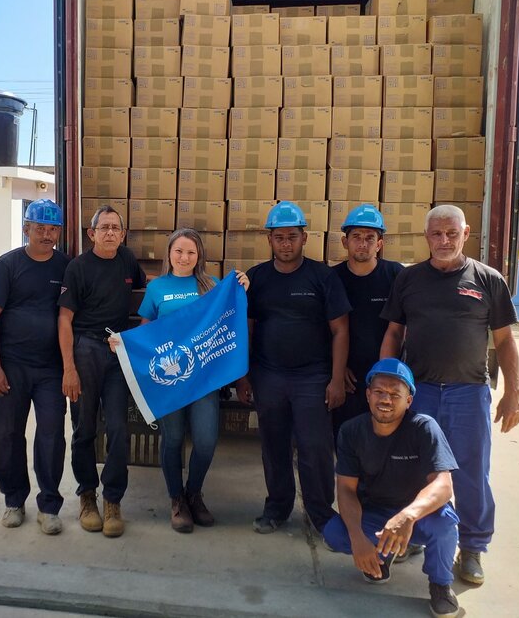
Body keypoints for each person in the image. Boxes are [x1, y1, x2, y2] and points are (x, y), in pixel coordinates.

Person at [381, 204, 519, 586]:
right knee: (413, 467)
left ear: (466, 233)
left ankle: (473, 548)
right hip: (419, 392)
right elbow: (394, 333)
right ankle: (414, 533)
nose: (444, 241)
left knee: (471, 473)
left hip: (468, 393)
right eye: (436, 234)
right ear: (426, 237)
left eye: (452, 234)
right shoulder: (409, 280)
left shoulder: (488, 279)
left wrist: (513, 394)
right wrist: (385, 383)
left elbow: (505, 341)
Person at [113, 228, 249, 533]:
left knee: (205, 440)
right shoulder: (157, 288)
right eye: (178, 251)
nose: (184, 257)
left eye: (190, 252)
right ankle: (177, 500)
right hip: (169, 382)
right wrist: (124, 344)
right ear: (169, 254)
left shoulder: (212, 285)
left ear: (199, 255)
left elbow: (228, 319)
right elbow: (147, 333)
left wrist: (241, 286)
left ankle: (194, 493)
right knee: (172, 439)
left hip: (203, 381)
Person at [236, 201, 351, 535]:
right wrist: (243, 378)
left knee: (315, 448)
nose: (286, 244)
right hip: (268, 375)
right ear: (269, 240)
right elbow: (246, 330)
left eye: (292, 237)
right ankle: (277, 509)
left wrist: (336, 379)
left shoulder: (322, 277)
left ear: (304, 238)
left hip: (312, 378)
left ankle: (321, 515)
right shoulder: (256, 278)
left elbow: (340, 330)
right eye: (279, 238)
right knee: (273, 445)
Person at [323, 358, 461, 618]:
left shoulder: (424, 427)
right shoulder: (351, 431)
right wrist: (357, 539)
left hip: (417, 516)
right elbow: (346, 489)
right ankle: (383, 555)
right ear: (367, 394)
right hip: (376, 513)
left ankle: (440, 584)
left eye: (395, 394)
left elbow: (443, 485)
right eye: (379, 392)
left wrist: (408, 516)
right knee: (335, 533)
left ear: (408, 401)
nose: (386, 399)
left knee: (445, 525)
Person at [58, 205, 146, 538]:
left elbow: (146, 291)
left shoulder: (127, 261)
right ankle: (86, 496)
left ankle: (112, 500)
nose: (110, 232)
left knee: (119, 429)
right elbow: (64, 319)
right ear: (91, 233)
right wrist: (69, 368)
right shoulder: (78, 268)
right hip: (86, 349)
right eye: (103, 227)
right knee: (83, 429)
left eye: (116, 228)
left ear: (123, 234)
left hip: (118, 351)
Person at [0, 199, 69, 535]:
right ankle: (14, 501)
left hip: (51, 370)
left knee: (50, 436)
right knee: (7, 436)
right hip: (12, 366)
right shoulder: (8, 265)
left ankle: (49, 506)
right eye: (40, 228)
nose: (46, 235)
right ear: (26, 228)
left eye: (52, 229)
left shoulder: (65, 266)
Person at [332, 204, 404, 440]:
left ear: (379, 244)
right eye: (356, 237)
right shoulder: (332, 278)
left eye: (370, 238)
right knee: (347, 438)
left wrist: (393, 372)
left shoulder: (396, 275)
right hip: (348, 377)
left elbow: (405, 326)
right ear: (345, 242)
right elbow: (323, 329)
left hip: (387, 374)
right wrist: (337, 370)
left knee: (384, 440)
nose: (363, 244)